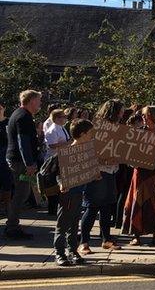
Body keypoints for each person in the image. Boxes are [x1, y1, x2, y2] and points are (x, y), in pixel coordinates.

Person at [122, 106, 155, 245]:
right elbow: (130, 152)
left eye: (146, 115)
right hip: (140, 174)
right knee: (138, 203)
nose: (143, 118)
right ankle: (136, 235)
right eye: (143, 115)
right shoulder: (139, 132)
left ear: (154, 116)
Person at [79, 100, 125, 254]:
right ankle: (84, 242)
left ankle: (106, 240)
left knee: (106, 208)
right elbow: (88, 151)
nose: (122, 114)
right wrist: (105, 160)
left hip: (111, 172)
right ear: (114, 112)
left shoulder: (118, 129)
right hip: (97, 173)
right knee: (92, 208)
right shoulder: (96, 128)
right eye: (120, 111)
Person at [53, 119, 95, 267]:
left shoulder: (87, 151)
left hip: (79, 193)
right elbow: (58, 174)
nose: (92, 136)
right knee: (63, 224)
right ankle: (59, 253)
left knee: (74, 224)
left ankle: (72, 251)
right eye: (90, 133)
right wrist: (61, 184)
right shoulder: (67, 152)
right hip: (68, 194)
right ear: (83, 134)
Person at [5, 90, 42, 240]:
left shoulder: (19, 114)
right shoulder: (23, 117)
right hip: (20, 163)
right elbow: (23, 142)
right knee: (22, 193)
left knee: (23, 192)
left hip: (19, 161)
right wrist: (29, 164)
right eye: (39, 100)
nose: (40, 104)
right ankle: (12, 227)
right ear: (32, 100)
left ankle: (13, 224)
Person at [43, 108, 71, 216]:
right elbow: (52, 145)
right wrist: (66, 143)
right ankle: (52, 209)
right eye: (63, 117)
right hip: (53, 161)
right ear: (57, 118)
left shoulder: (62, 128)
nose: (65, 119)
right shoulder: (52, 130)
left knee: (59, 185)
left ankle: (58, 206)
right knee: (52, 185)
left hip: (61, 159)